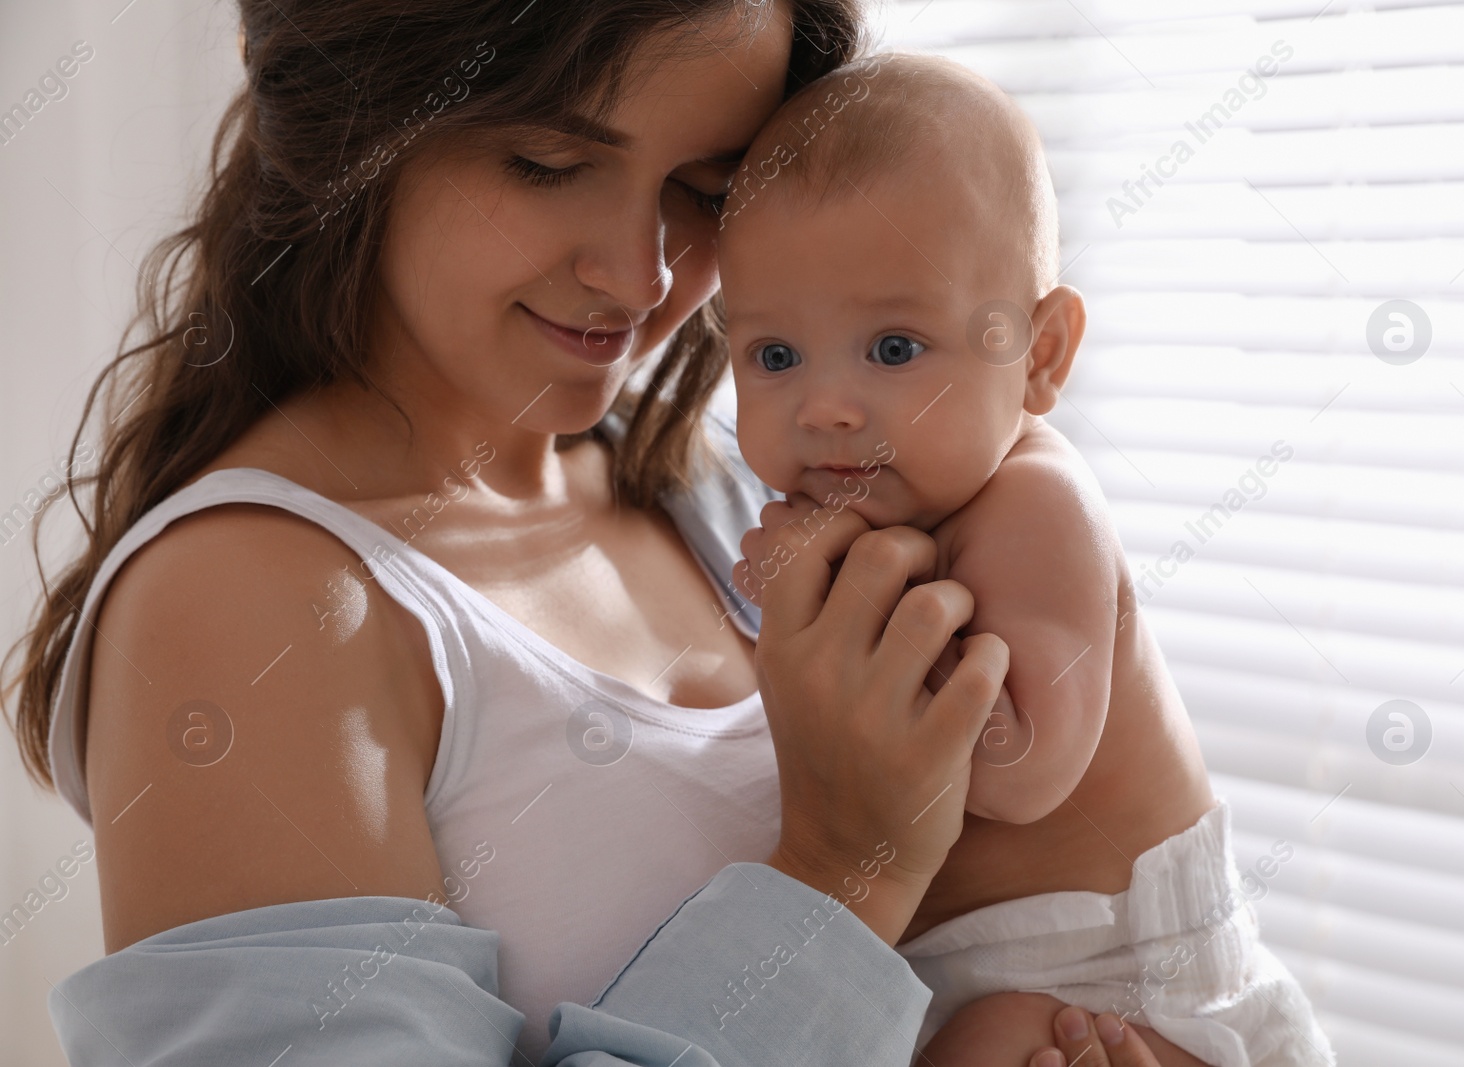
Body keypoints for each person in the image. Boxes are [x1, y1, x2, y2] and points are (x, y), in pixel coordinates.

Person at [3, 3, 1168, 1065]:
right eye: (548, 164)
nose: (643, 275)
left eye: (704, 190)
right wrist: (839, 869)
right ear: (359, 122)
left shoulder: (702, 490)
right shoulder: (244, 607)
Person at [721, 55, 1336, 1066]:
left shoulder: (1034, 504)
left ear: (1042, 354)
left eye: (892, 348)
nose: (824, 404)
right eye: (774, 356)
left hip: (1115, 976)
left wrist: (833, 609)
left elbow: (1020, 769)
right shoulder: (863, 498)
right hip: (971, 964)